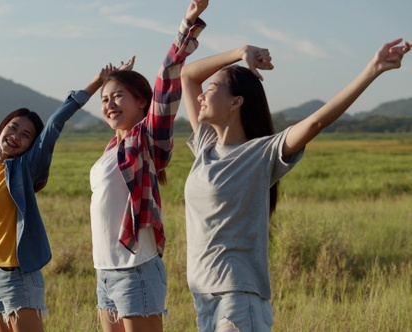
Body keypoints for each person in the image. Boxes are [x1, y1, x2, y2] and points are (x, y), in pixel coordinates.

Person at [180, 37, 411, 331]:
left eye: (211, 90)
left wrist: (373, 68)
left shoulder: (260, 154)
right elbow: (188, 75)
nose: (201, 96)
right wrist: (240, 53)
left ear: (236, 102)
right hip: (203, 297)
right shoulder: (205, 146)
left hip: (236, 298)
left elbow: (316, 123)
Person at [0, 33, 115, 332]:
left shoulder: (24, 167)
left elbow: (53, 126)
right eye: (13, 128)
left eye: (26, 135)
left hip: (18, 274)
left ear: (29, 146)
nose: (16, 136)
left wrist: (93, 85)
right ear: (2, 129)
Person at [89, 1, 208, 331]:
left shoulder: (147, 140)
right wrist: (120, 79)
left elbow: (167, 80)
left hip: (135, 267)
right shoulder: (113, 147)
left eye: (118, 96)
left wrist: (187, 24)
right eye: (105, 99)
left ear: (142, 101)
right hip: (106, 270)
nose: (109, 104)